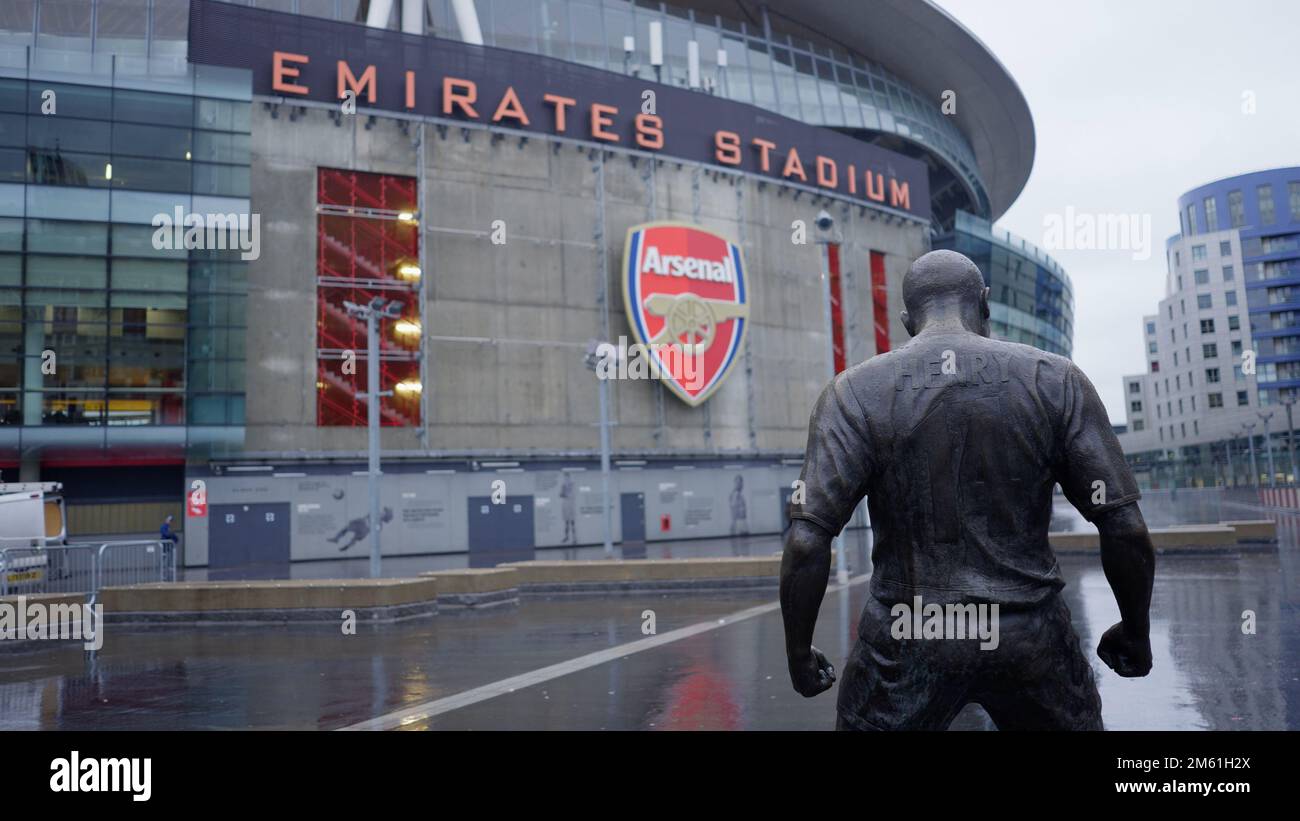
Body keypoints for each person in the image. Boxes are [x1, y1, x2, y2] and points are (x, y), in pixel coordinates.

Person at [780, 250, 1156, 731]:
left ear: (907, 320)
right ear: (985, 303)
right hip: (1028, 635)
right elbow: (1125, 529)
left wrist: (798, 654)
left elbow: (807, 542)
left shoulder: (854, 392)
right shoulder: (1055, 379)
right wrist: (1135, 631)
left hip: (907, 633)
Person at [160, 514, 180, 579]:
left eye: (171, 521)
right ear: (166, 520)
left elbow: (173, 535)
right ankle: (162, 568)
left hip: (169, 545)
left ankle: (168, 567)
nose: (170, 522)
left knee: (170, 555)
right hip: (164, 544)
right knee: (164, 556)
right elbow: (166, 534)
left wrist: (176, 539)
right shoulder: (163, 526)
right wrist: (171, 535)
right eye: (169, 520)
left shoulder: (169, 527)